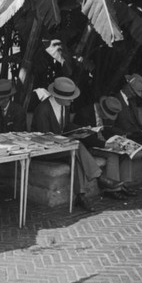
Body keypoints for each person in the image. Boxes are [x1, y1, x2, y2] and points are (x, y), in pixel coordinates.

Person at [31, 77, 108, 212]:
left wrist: (80, 130)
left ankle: (81, 195)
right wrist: (69, 138)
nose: (72, 100)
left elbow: (64, 127)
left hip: (60, 147)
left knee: (75, 156)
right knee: (76, 146)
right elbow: (45, 139)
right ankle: (99, 177)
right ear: (58, 96)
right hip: (44, 150)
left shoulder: (64, 106)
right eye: (69, 98)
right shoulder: (42, 110)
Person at [73, 96, 136, 199]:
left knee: (126, 152)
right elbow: (85, 139)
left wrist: (121, 136)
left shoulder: (108, 110)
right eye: (106, 116)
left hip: (103, 143)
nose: (107, 118)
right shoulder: (84, 114)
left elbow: (108, 129)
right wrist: (106, 145)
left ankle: (124, 184)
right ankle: (112, 189)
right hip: (89, 146)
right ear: (101, 110)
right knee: (113, 155)